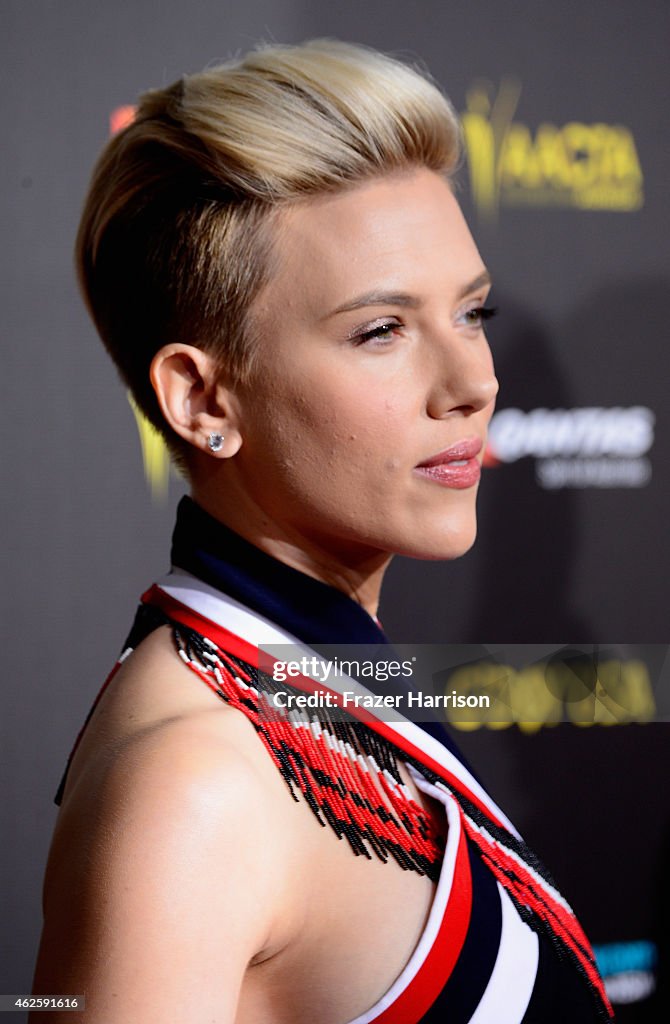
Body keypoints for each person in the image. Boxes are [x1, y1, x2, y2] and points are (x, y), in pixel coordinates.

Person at [32, 40, 613, 1023]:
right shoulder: (197, 783)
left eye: (472, 312)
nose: (474, 384)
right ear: (203, 396)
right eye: (381, 330)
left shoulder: (317, 674)